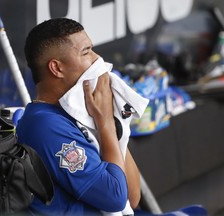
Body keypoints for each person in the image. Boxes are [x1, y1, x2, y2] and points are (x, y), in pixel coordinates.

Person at [16, 17, 141, 215]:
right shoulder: (45, 125)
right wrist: (106, 121)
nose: (97, 59)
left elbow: (132, 198)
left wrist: (113, 124)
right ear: (57, 68)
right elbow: (116, 197)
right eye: (86, 52)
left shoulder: (80, 113)